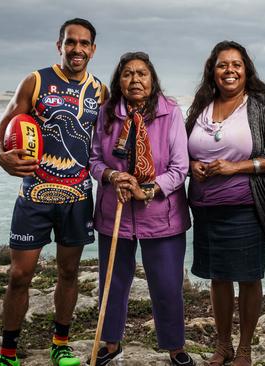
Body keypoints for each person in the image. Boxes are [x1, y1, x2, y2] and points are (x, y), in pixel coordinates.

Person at [0, 18, 106, 366]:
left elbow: (110, 139)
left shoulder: (101, 90)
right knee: (19, 275)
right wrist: (1, 156)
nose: (77, 49)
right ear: (60, 45)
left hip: (78, 197)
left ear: (93, 49)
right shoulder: (37, 80)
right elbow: (2, 128)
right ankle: (8, 353)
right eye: (71, 42)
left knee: (68, 273)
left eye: (84, 43)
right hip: (35, 196)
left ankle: (60, 343)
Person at [88, 51, 194, 366]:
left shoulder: (170, 111)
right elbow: (94, 159)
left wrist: (147, 188)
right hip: (114, 211)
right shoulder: (107, 113)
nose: (135, 80)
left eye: (142, 74)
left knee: (166, 283)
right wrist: (111, 175)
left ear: (152, 78)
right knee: (113, 279)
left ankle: (175, 347)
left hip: (162, 214)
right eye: (128, 74)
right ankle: (110, 344)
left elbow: (180, 166)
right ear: (119, 81)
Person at [185, 41, 265, 366]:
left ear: (246, 70)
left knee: (248, 277)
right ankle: (223, 345)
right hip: (205, 208)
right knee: (218, 277)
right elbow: (181, 151)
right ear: (212, 71)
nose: (229, 70)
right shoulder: (202, 104)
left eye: (236, 65)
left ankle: (245, 348)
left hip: (245, 207)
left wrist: (235, 167)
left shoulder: (260, 105)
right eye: (222, 65)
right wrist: (190, 166)